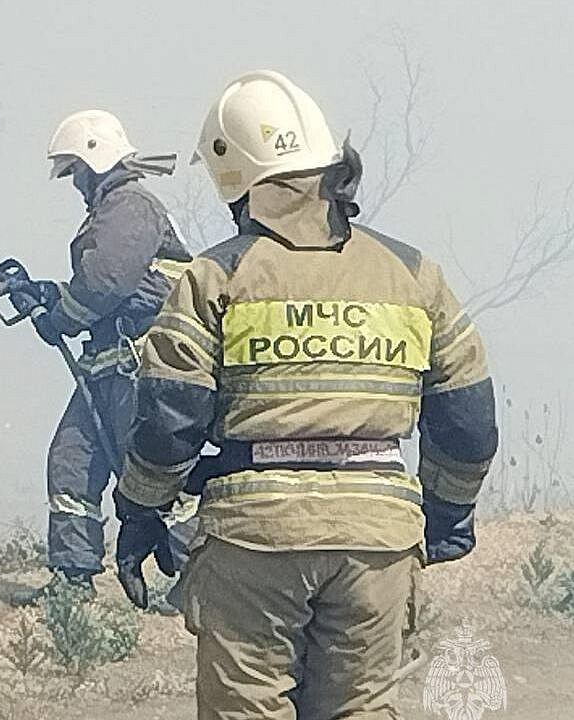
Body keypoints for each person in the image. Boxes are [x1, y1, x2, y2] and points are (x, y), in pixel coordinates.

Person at [112, 70, 497, 718]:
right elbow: (468, 419)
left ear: (234, 180)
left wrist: (140, 511)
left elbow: (170, 422)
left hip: (253, 543)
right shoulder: (413, 274)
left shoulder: (213, 277)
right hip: (376, 543)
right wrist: (448, 514)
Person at [8, 109, 191, 607]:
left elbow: (107, 283)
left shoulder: (131, 204)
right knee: (71, 462)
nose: (75, 183)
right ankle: (73, 578)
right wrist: (50, 296)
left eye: (76, 172)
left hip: (144, 367)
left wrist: (60, 317)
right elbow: (98, 287)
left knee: (155, 471)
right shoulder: (113, 210)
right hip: (108, 367)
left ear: (96, 160)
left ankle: (197, 582)